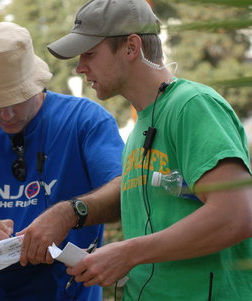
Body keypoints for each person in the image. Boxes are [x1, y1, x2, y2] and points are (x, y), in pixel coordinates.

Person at [47, 0, 252, 300]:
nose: (79, 67)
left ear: (131, 47)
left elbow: (237, 214)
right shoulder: (138, 129)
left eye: (89, 53)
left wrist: (127, 254)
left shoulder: (192, 105)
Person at [0, 21, 124, 300]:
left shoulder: (85, 121)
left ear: (36, 84)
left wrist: (67, 214)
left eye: (16, 98)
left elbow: (124, 190)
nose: (6, 113)